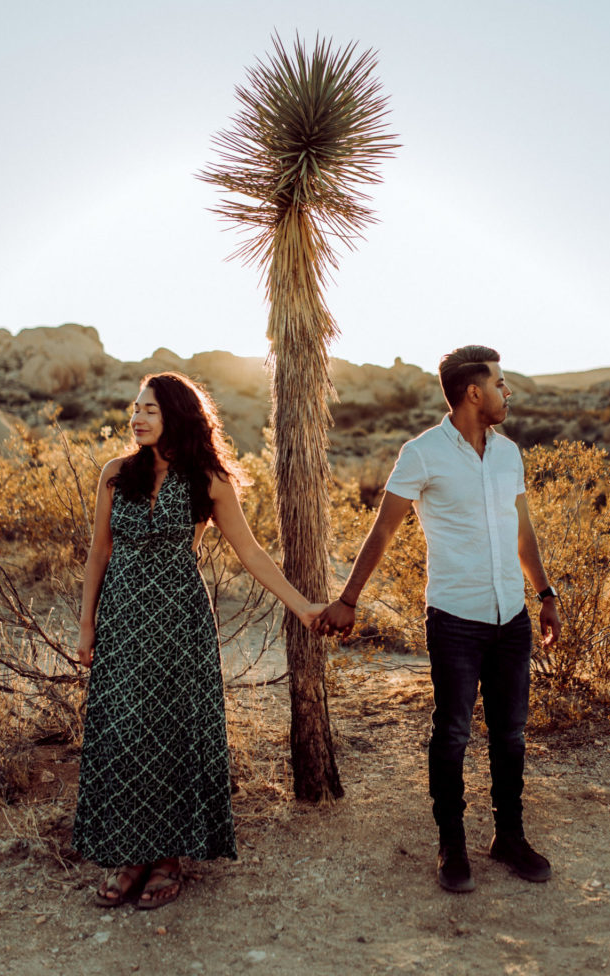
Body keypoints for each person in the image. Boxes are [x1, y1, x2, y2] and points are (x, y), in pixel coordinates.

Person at [73, 372, 325, 909]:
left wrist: (302, 606)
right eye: (135, 408)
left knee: (169, 731)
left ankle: (165, 858)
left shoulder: (206, 479)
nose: (137, 418)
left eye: (151, 411)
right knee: (124, 732)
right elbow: (98, 553)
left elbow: (251, 553)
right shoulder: (116, 475)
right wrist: (87, 623)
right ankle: (131, 853)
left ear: (178, 417)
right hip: (121, 620)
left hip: (178, 624)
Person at [319, 346, 561, 893]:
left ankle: (510, 836)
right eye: (500, 383)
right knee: (452, 733)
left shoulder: (508, 454)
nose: (508, 391)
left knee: (511, 734)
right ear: (473, 392)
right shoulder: (422, 453)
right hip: (455, 619)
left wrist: (545, 593)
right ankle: (451, 844)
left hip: (512, 618)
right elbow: (382, 533)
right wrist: (349, 599)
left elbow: (523, 534)